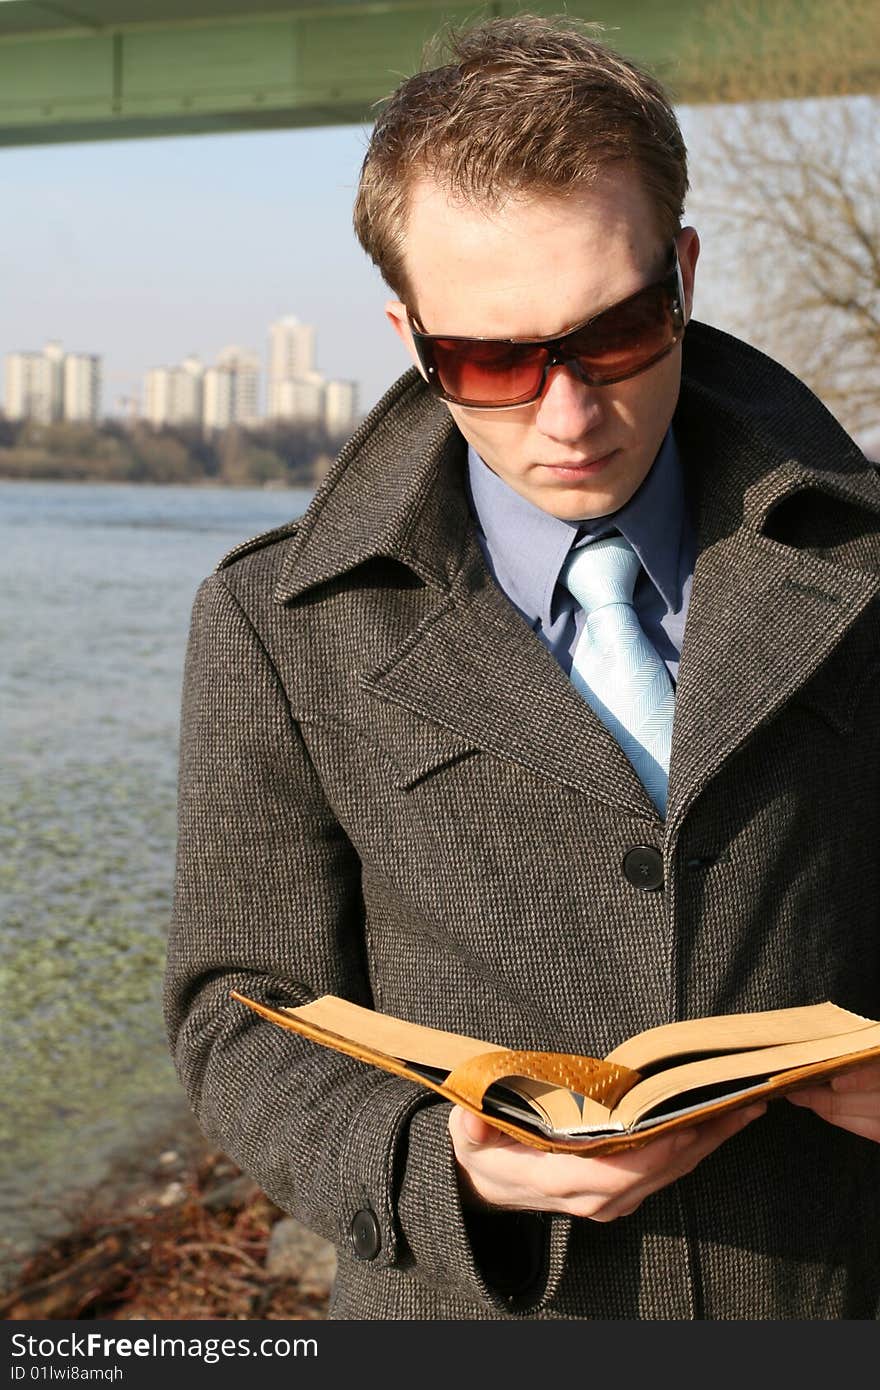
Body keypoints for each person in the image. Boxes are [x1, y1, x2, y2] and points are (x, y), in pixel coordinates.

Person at [164, 14, 880, 1320]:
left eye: (612, 333)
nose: (567, 412)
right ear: (409, 332)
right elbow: (235, 1014)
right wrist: (439, 1166)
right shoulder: (277, 622)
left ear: (683, 274)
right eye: (491, 358)